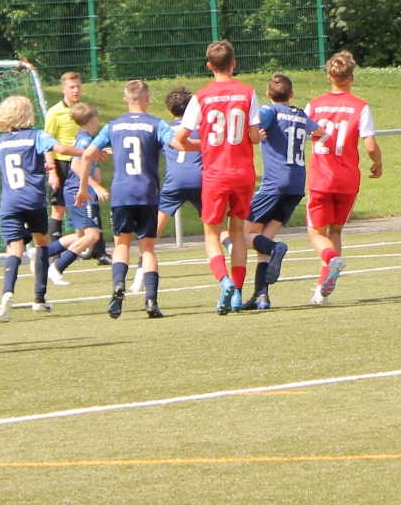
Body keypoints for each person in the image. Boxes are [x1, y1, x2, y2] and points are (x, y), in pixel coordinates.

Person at [173, 41, 265, 315]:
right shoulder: (248, 92)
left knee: (212, 233)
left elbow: (180, 138)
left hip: (215, 174)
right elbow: (253, 136)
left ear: (209, 66)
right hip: (243, 173)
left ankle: (224, 281)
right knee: (238, 232)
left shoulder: (201, 97)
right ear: (234, 63)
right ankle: (237, 293)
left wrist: (204, 144)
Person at [75, 80, 169, 319]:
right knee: (147, 248)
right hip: (147, 193)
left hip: (122, 194)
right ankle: (151, 300)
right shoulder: (157, 124)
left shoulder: (112, 126)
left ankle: (118, 287)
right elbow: (176, 143)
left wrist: (84, 188)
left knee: (121, 245)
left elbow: (86, 155)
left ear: (125, 99)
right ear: (147, 99)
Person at [303, 52, 381, 305]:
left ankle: (331, 260)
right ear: (352, 78)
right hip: (347, 180)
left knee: (316, 232)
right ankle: (321, 290)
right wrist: (378, 163)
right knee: (335, 230)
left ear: (329, 77)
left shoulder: (314, 105)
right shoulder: (360, 106)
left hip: (321, 178)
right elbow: (370, 146)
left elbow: (299, 134)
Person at [0, 94, 76, 322]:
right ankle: (39, 298)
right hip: (32, 200)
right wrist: (88, 152)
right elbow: (60, 148)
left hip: (9, 202)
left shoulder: (1, 142)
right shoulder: (36, 135)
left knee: (14, 249)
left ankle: (7, 293)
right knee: (41, 243)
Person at [248, 73, 311, 309]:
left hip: (274, 184)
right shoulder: (301, 115)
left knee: (242, 235)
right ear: (291, 94)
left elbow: (252, 124)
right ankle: (261, 295)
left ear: (268, 94)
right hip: (296, 186)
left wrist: (255, 133)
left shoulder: (269, 110)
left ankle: (276, 249)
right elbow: (321, 132)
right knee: (262, 238)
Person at [47, 103, 108, 285]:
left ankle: (42, 253)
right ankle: (57, 267)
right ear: (93, 120)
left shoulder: (85, 138)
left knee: (81, 236)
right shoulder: (84, 141)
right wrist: (95, 186)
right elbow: (75, 164)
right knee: (92, 236)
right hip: (77, 191)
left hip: (74, 190)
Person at [42, 71, 90, 263]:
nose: (75, 90)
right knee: (59, 208)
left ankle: (97, 251)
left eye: (78, 86)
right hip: (62, 164)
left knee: (87, 204)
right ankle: (53, 253)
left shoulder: (85, 111)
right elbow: (48, 143)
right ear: (63, 89)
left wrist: (94, 166)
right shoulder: (54, 112)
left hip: (81, 163)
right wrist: (52, 172)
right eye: (71, 87)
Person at [155, 86, 204, 255]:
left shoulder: (164, 130)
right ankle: (230, 246)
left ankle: (143, 261)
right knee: (214, 227)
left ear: (170, 108)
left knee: (155, 227)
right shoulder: (200, 129)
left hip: (174, 181)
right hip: (199, 179)